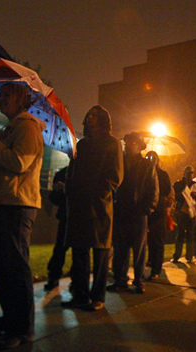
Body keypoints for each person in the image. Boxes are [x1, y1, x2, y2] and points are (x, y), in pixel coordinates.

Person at [0, 82, 45, 350]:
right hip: (3, 203)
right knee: (3, 268)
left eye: (8, 95)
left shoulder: (27, 126)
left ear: (20, 99)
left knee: (15, 267)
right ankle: (9, 319)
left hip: (17, 204)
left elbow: (20, 162)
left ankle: (22, 328)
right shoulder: (12, 127)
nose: (2, 98)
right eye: (0, 94)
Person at [61, 105, 123, 311]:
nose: (90, 117)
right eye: (88, 115)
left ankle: (98, 297)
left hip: (99, 206)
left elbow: (115, 176)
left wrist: (99, 192)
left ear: (104, 119)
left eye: (95, 115)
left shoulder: (113, 144)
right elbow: (72, 170)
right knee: (79, 252)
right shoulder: (82, 144)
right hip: (78, 204)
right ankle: (80, 296)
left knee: (100, 253)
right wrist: (70, 190)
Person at [108, 132, 159, 294]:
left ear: (139, 146)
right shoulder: (118, 162)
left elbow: (153, 190)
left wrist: (146, 209)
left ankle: (139, 281)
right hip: (121, 211)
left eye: (133, 143)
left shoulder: (146, 165)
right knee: (120, 249)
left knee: (139, 251)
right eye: (127, 142)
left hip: (138, 213)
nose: (129, 145)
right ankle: (120, 280)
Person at [145, 151, 173, 281]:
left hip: (158, 209)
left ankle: (156, 267)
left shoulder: (161, 174)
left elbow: (167, 190)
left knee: (157, 239)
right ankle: (152, 262)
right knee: (151, 239)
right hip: (150, 209)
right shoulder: (146, 173)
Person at [43, 166, 70, 291]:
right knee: (60, 248)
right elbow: (54, 198)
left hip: (78, 216)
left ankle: (75, 280)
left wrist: (64, 188)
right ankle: (53, 276)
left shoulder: (84, 170)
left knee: (78, 251)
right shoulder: (61, 173)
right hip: (65, 215)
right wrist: (57, 191)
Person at [172, 166, 196, 263]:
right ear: (184, 173)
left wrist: (195, 195)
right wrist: (182, 195)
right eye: (188, 173)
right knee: (180, 234)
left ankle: (189, 256)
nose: (190, 175)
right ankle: (177, 255)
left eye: (191, 173)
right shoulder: (178, 184)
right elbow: (173, 195)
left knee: (190, 235)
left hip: (192, 213)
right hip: (182, 212)